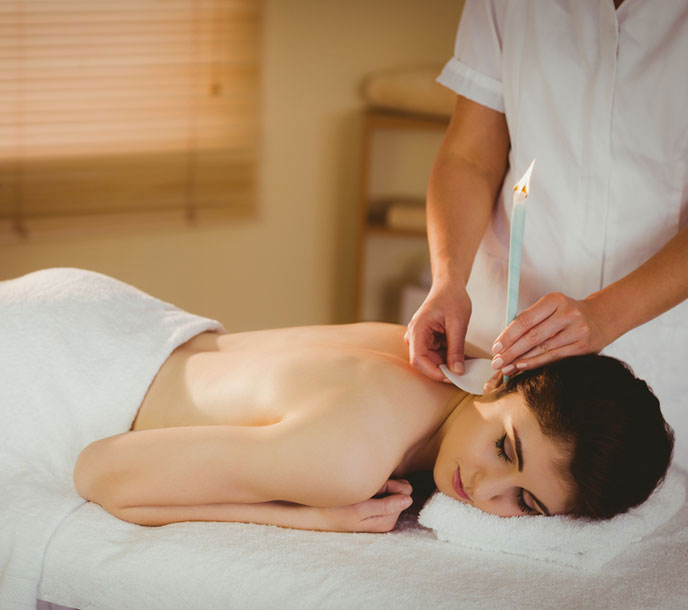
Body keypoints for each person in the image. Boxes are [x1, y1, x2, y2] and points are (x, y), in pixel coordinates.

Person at [405, 0, 688, 455]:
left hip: (663, 348)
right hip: (501, 336)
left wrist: (606, 314)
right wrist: (448, 279)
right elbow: (468, 156)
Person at [74, 318, 674, 532]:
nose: (485, 489)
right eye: (504, 447)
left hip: (125, 322)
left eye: (526, 502)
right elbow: (99, 472)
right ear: (504, 382)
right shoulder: (346, 464)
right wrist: (309, 516)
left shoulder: (433, 351)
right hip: (70, 375)